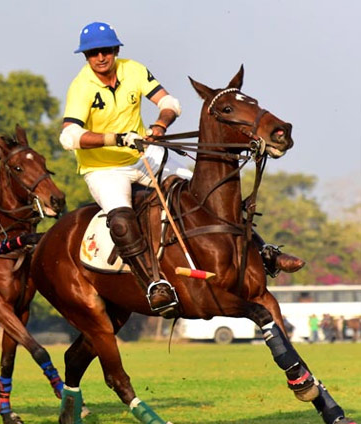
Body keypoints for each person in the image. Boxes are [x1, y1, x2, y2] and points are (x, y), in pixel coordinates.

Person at [59, 22, 304, 315]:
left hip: (143, 155)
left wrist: (160, 124)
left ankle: (265, 253)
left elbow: (169, 102)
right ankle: (153, 283)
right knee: (122, 221)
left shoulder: (133, 70)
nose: (100, 57)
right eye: (92, 52)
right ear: (86, 56)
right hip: (104, 170)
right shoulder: (81, 87)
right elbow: (69, 136)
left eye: (106, 50)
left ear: (116, 50)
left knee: (208, 192)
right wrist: (115, 138)